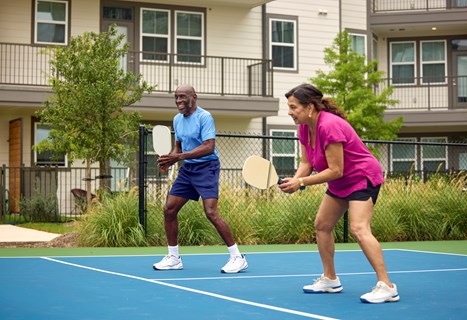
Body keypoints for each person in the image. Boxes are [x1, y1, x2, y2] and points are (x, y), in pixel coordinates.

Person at [278, 83, 399, 304]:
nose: (290, 112)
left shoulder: (329, 125)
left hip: (361, 177)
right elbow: (307, 162)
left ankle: (387, 286)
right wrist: (295, 181)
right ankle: (330, 279)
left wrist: (301, 182)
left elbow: (336, 169)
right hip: (340, 181)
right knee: (322, 225)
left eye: (293, 107)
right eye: (289, 107)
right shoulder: (304, 127)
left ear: (310, 107)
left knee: (359, 228)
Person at [152, 84, 248, 274]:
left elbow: (208, 147)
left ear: (193, 97)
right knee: (169, 209)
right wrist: (169, 160)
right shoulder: (177, 120)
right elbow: (178, 147)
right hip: (188, 169)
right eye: (176, 97)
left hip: (207, 168)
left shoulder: (204, 117)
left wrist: (177, 157)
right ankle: (173, 258)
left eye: (182, 97)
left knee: (211, 212)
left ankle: (238, 257)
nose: (178, 101)